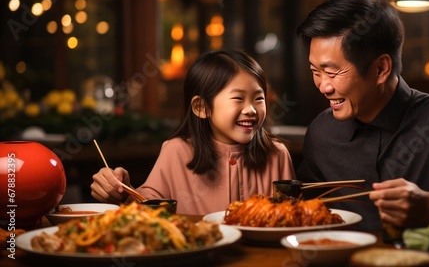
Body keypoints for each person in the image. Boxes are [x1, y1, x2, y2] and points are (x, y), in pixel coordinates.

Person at [295, 0, 429, 232]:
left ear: (381, 68)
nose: (323, 86)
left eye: (331, 72)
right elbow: (304, 212)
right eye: (315, 71)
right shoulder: (321, 132)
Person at [91, 49, 296, 215]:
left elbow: (292, 217)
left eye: (258, 99)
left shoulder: (277, 154)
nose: (251, 109)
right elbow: (147, 206)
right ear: (201, 107)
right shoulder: (176, 151)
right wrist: (121, 192)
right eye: (238, 99)